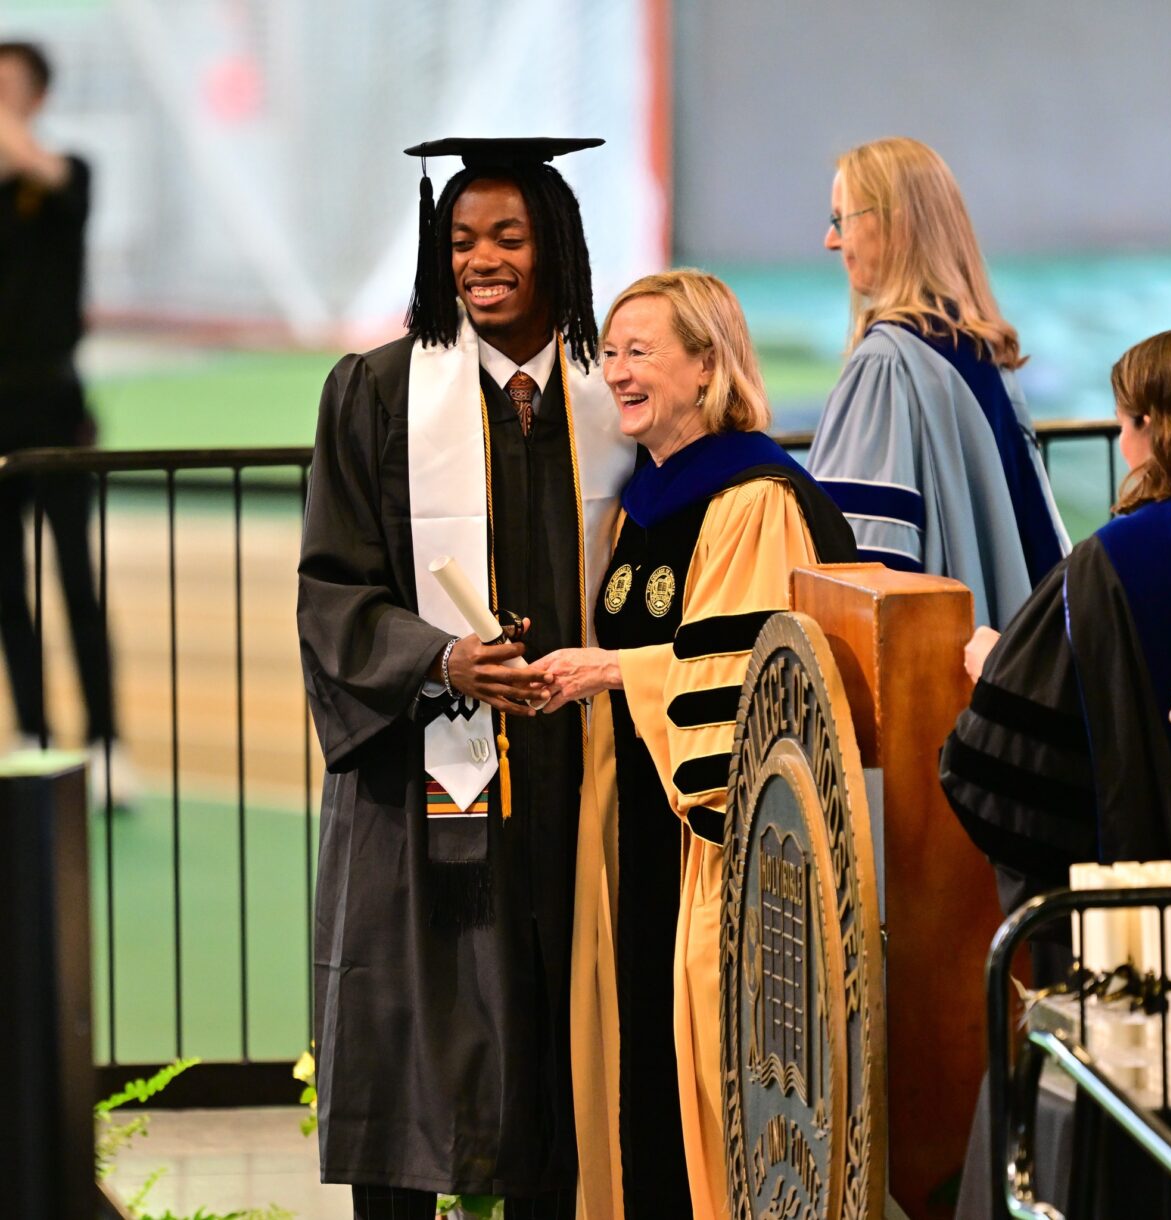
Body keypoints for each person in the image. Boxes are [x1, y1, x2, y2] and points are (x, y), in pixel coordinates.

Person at [297, 137, 635, 1220]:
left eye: (507, 236)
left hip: (570, 782)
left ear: (558, 252)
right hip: (419, 785)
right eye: (459, 240)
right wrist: (440, 657)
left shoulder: (606, 403)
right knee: (411, 1039)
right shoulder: (376, 392)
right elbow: (331, 588)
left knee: (553, 1054)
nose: (480, 261)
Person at [527, 270, 857, 1220]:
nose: (617, 373)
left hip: (711, 853)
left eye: (641, 352)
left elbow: (736, 693)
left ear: (707, 363)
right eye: (610, 353)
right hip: (638, 830)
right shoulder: (648, 498)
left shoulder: (751, 496)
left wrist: (614, 671)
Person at [942, 326, 1171, 918]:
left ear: (1151, 430)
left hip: (1157, 934)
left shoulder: (1116, 565)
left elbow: (998, 767)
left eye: (1123, 422)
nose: (1121, 441)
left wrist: (998, 668)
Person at [806, 136, 1068, 629]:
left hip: (932, 672)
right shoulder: (984, 352)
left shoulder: (887, 364)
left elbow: (862, 578)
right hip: (1013, 644)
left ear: (894, 224)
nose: (832, 241)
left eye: (841, 219)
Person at [0, 40, 128, 795]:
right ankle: (32, 732)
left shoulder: (68, 172)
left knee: (77, 582)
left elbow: (47, 172)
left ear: (39, 97)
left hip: (55, 405)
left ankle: (108, 744)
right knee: (6, 590)